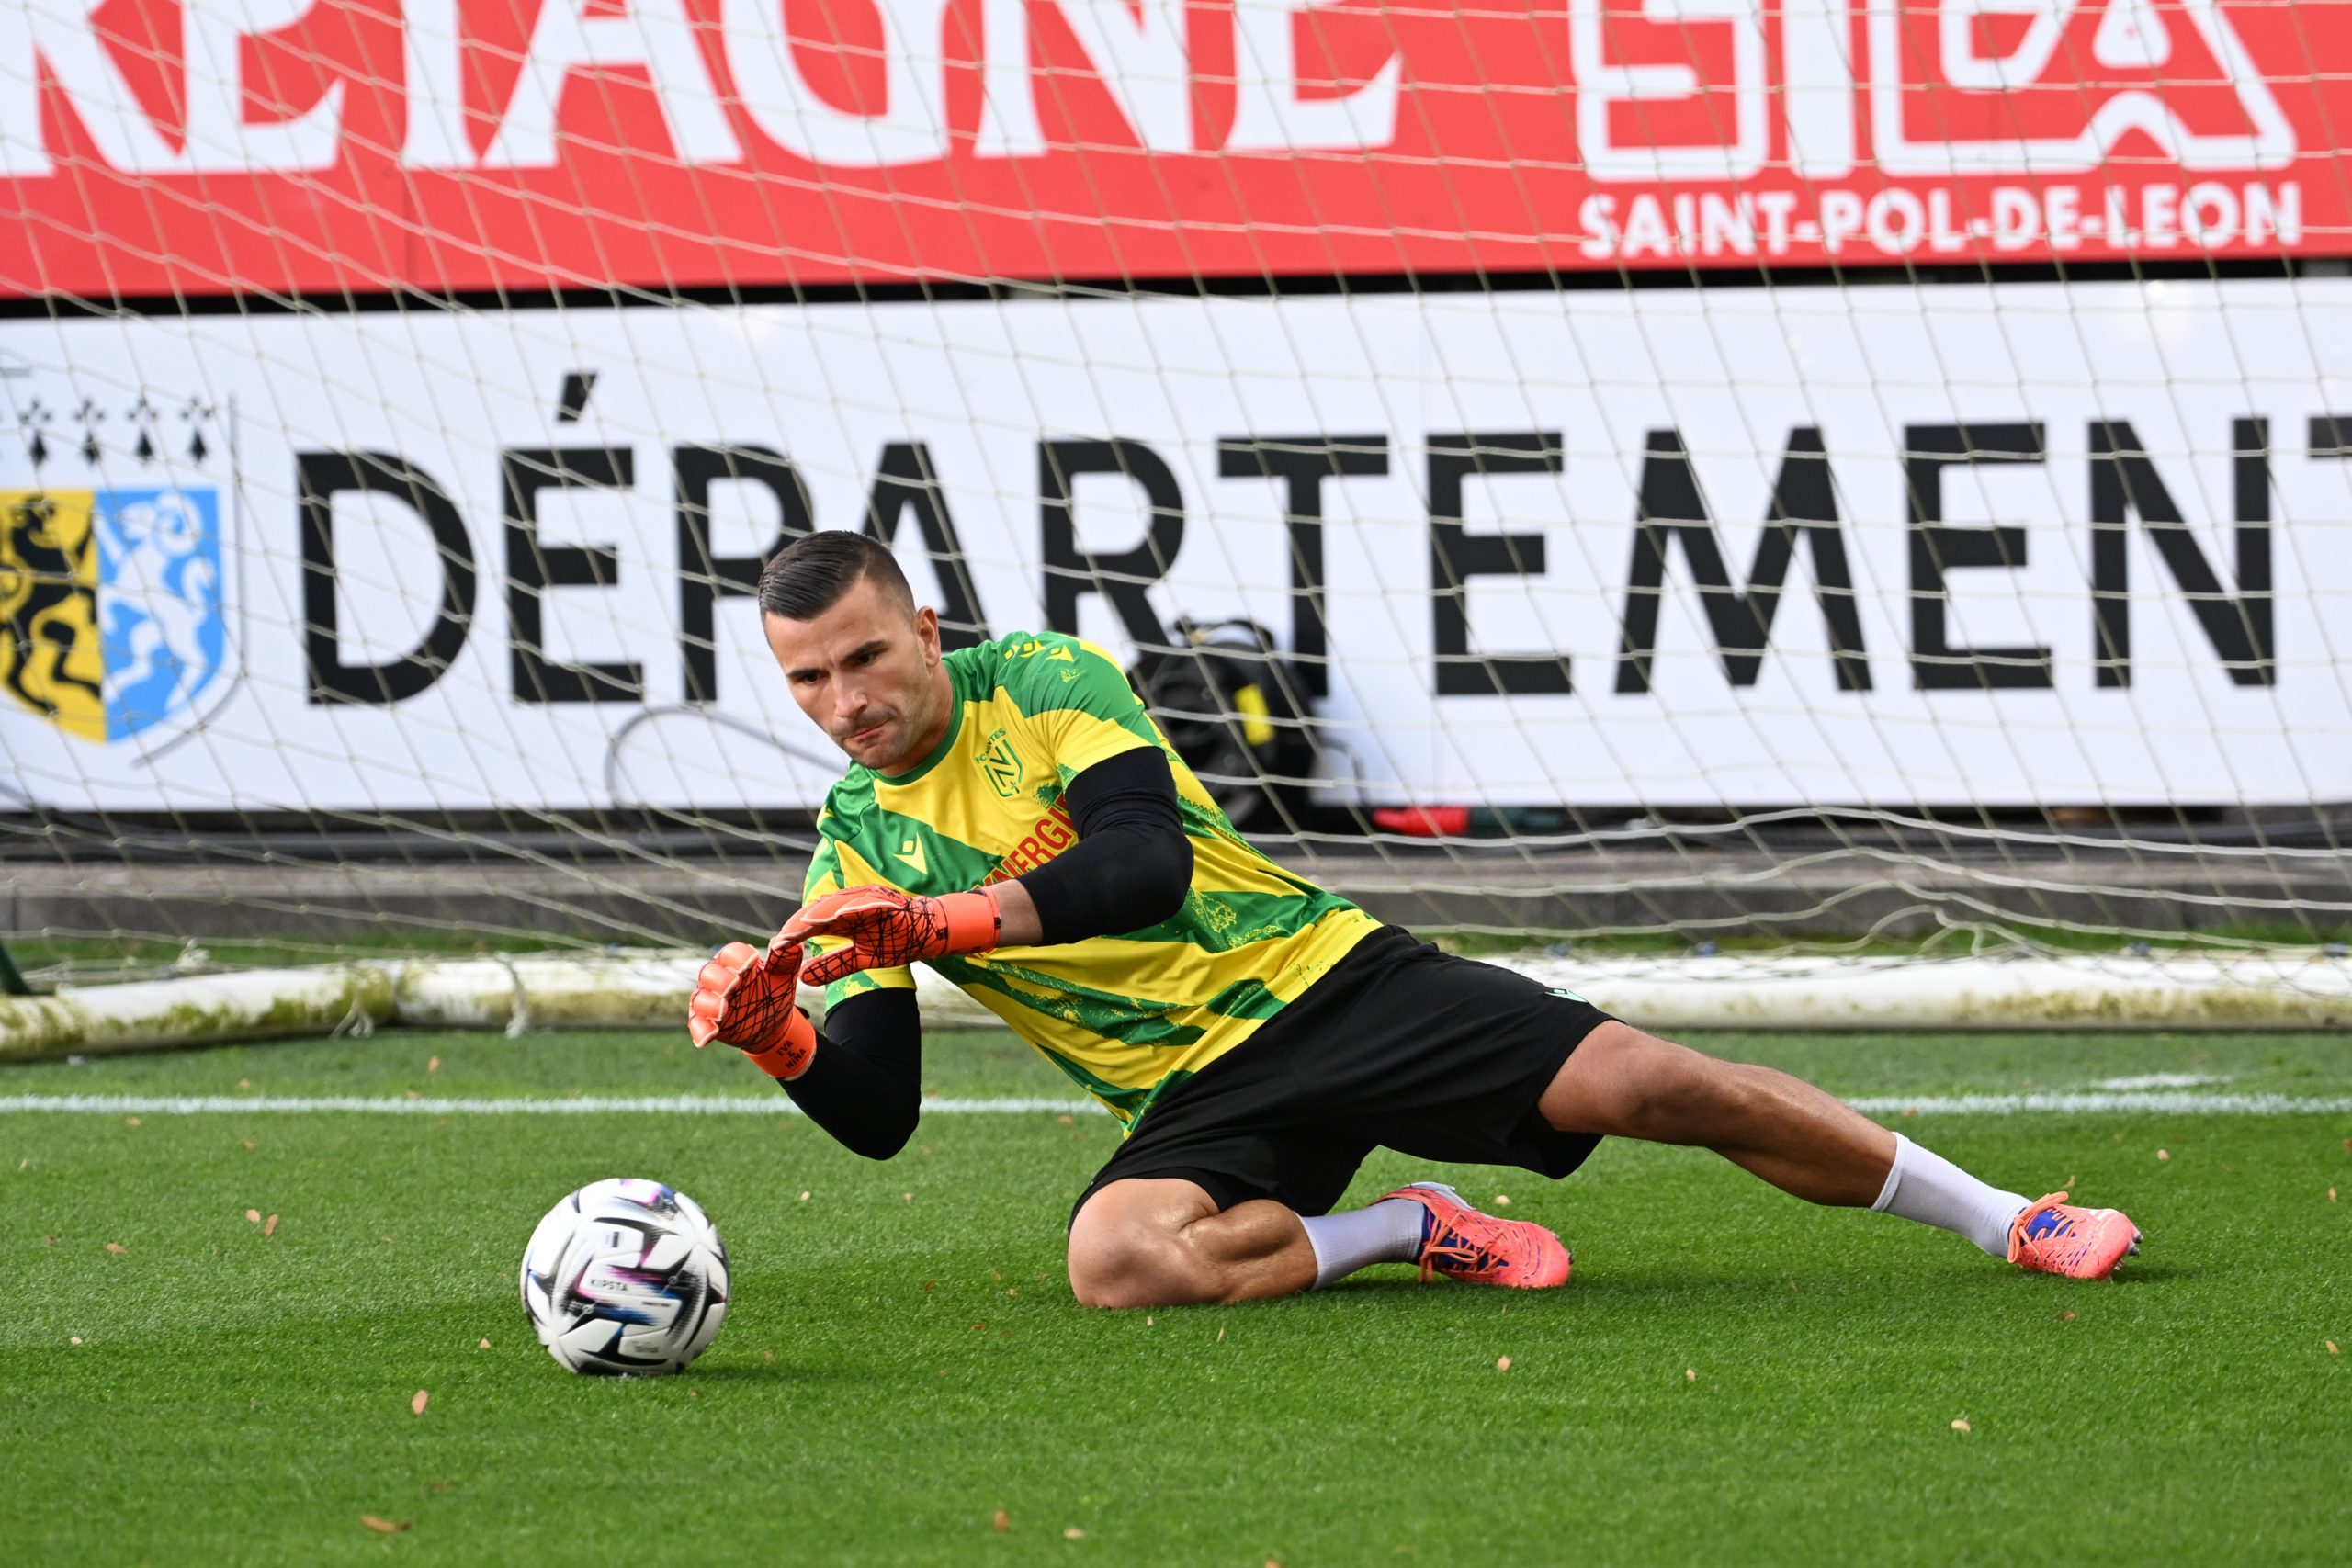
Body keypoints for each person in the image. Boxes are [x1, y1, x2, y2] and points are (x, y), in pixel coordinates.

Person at [688, 533, 2141, 1306]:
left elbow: (1144, 870)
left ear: (924, 630)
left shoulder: (1048, 680)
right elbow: (883, 1115)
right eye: (808, 683)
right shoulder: (851, 843)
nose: (845, 703)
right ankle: (1402, 1228)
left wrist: (947, 922)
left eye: (864, 658)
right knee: (1115, 1264)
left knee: (1656, 1085)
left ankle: (2009, 1218)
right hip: (1193, 1093)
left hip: (1328, 983)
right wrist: (786, 1041)